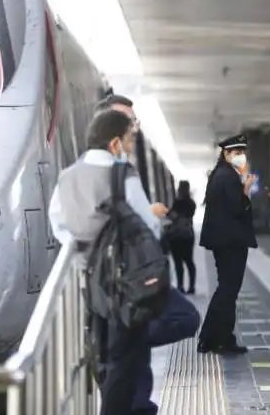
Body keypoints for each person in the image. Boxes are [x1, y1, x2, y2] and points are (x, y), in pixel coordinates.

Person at [93, 94, 200, 415]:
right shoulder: (100, 170)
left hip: (137, 270)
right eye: (126, 121)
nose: (133, 128)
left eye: (133, 120)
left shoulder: (124, 168)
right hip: (122, 273)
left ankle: (123, 366)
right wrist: (149, 214)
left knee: (132, 348)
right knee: (181, 319)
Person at [48, 110, 155, 415]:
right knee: (128, 352)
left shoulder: (68, 176)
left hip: (87, 277)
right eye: (130, 138)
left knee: (104, 349)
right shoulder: (124, 175)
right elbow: (149, 226)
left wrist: (82, 247)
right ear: (114, 143)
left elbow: (58, 221)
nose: (131, 145)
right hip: (125, 280)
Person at [198, 134, 257, 354]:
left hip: (223, 241)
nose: (240, 156)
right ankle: (217, 339)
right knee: (228, 290)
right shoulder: (229, 176)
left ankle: (213, 337)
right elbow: (236, 208)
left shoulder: (219, 174)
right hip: (230, 241)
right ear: (226, 154)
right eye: (236, 153)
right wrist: (246, 189)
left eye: (242, 153)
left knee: (226, 289)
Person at [168, 181, 197, 294]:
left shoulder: (178, 203)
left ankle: (180, 286)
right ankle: (191, 286)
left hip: (176, 236)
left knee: (178, 263)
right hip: (188, 236)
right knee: (189, 261)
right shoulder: (191, 203)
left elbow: (172, 216)